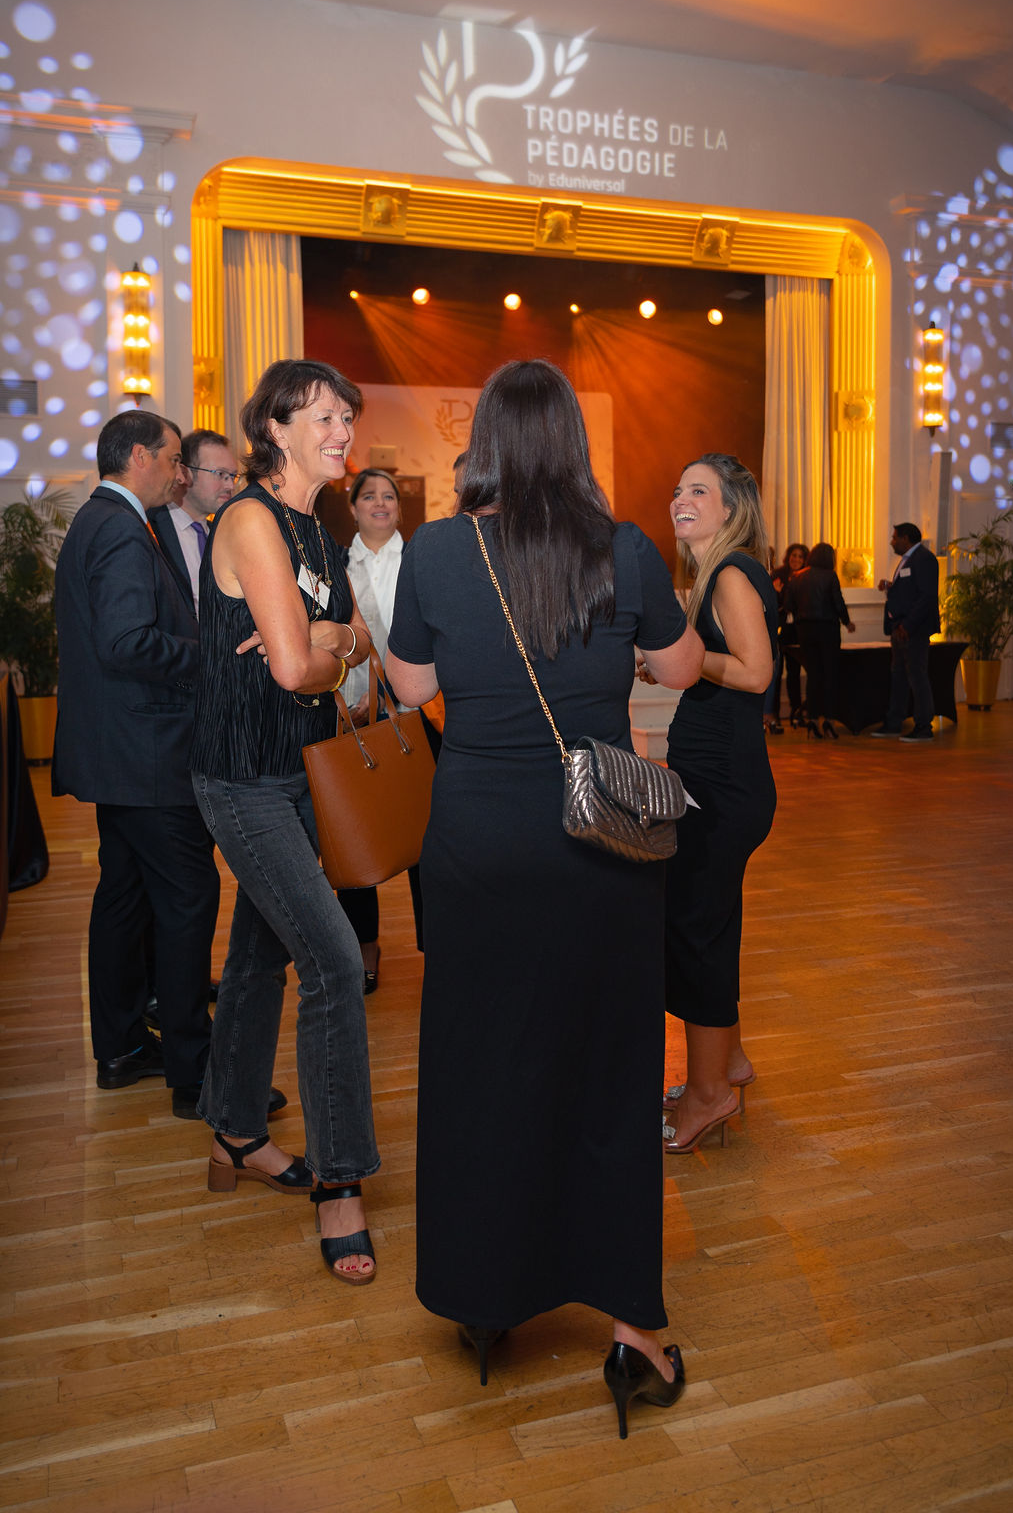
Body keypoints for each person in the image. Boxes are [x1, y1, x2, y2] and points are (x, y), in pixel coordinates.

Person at [386, 359, 705, 1440]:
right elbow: (680, 668)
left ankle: (486, 1302)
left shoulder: (437, 550)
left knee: (483, 1067)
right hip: (597, 845)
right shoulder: (624, 549)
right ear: (573, 442)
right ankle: (633, 1336)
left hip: (477, 844)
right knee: (609, 1075)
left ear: (482, 442)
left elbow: (414, 688)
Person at [189, 358, 381, 1284]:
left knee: (259, 957)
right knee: (335, 964)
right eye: (325, 416)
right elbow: (292, 670)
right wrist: (323, 650)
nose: (343, 431)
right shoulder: (254, 520)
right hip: (243, 780)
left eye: (348, 416)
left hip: (302, 771)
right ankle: (340, 1183)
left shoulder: (318, 523)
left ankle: (233, 1129)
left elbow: (353, 645)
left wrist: (328, 641)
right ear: (275, 427)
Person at [52, 410, 220, 1117]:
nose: (181, 474)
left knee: (124, 899)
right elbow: (127, 643)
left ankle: (122, 1048)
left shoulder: (99, 520)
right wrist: (212, 659)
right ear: (140, 457)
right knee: (189, 898)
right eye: (175, 459)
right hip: (148, 754)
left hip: (120, 752)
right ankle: (195, 1074)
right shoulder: (122, 528)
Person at [661, 454, 777, 1154]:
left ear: (730, 509)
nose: (681, 498)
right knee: (712, 921)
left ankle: (708, 1094)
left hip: (723, 787)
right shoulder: (719, 575)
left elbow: (755, 673)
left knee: (694, 930)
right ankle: (726, 1061)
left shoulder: (731, 573)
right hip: (720, 781)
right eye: (678, 489)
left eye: (698, 490)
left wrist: (684, 658)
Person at [335, 467, 419, 988]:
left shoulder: (421, 561)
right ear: (353, 507)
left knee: (425, 837)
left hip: (416, 715)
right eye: (370, 496)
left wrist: (389, 696)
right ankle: (363, 946)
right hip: (349, 719)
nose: (381, 503)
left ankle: (439, 944)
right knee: (353, 838)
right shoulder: (336, 564)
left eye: (389, 496)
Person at [152, 430, 240, 613]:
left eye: (233, 476)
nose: (230, 485)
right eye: (220, 474)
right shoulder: (150, 528)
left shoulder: (226, 535)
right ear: (185, 473)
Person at [870, 521, 941, 741]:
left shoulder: (924, 559)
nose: (891, 542)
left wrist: (907, 625)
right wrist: (892, 587)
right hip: (900, 628)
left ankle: (924, 726)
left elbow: (927, 596)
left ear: (905, 538)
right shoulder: (908, 560)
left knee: (917, 677)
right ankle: (894, 723)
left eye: (894, 537)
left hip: (913, 630)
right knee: (899, 676)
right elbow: (911, 591)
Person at [784, 541, 856, 738]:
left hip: (804, 630)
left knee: (813, 675)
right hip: (828, 629)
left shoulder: (797, 577)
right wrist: (847, 622)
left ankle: (812, 719)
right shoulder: (830, 576)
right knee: (830, 675)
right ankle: (829, 721)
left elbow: (789, 605)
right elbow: (838, 602)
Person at [768, 542, 809, 727]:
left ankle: (796, 712)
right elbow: (771, 603)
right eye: (794, 555)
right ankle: (773, 713)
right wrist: (776, 592)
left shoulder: (806, 576)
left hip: (796, 632)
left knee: (794, 672)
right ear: (788, 556)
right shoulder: (778, 574)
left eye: (800, 556)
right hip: (779, 629)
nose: (796, 559)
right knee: (776, 673)